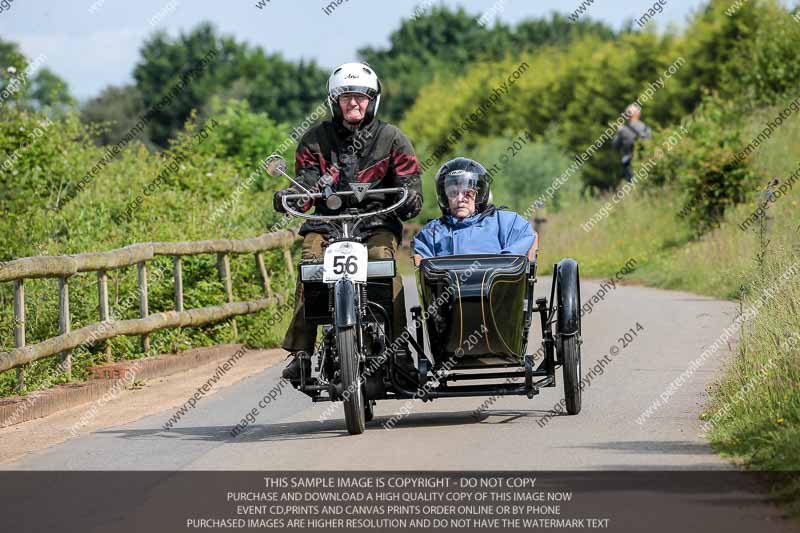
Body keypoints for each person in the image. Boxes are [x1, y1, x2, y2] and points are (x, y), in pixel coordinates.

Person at [274, 62, 422, 385]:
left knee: (384, 264)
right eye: (345, 97)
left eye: (361, 97)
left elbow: (411, 183)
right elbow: (307, 181)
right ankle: (302, 354)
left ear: (373, 100)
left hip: (375, 222)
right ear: (334, 101)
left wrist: (411, 197)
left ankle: (399, 351)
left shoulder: (392, 139)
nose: (353, 103)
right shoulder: (315, 140)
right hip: (328, 223)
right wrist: (293, 197)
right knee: (311, 260)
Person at [412, 157, 536, 263]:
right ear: (445, 197)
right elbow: (425, 268)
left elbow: (527, 236)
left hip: (498, 289)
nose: (460, 199)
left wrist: (501, 264)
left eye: (467, 193)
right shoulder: (432, 232)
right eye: (453, 193)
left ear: (479, 195)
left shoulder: (503, 221)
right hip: (449, 290)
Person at [612, 103, 652, 183]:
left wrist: (618, 132)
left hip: (628, 161)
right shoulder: (646, 128)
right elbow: (650, 145)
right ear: (638, 114)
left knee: (630, 184)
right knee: (643, 183)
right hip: (644, 160)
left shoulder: (623, 130)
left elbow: (615, 145)